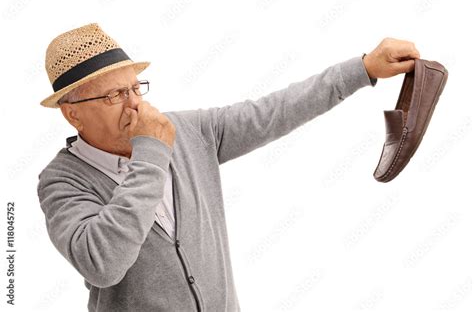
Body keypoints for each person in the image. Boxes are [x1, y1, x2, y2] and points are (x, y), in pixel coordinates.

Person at [37, 22, 420, 311]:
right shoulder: (61, 181)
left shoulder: (188, 131)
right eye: (115, 95)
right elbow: (103, 264)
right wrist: (151, 151)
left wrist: (364, 68)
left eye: (136, 88)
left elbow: (275, 111)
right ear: (73, 115)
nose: (135, 105)